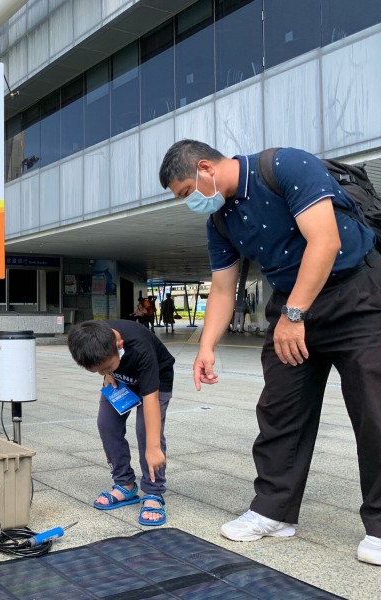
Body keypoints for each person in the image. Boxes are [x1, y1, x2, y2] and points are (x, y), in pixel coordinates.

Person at [159, 139, 381, 566]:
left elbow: (325, 241)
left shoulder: (284, 166)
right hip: (292, 305)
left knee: (374, 411)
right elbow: (223, 287)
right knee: (281, 409)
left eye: (187, 192)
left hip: (356, 296)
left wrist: (294, 314)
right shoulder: (219, 220)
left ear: (206, 168)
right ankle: (273, 513)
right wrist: (205, 347)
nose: (189, 203)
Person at [67, 319, 175, 526]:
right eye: (97, 370)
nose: (101, 370)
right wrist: (108, 373)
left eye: (105, 366)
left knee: (147, 432)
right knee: (106, 423)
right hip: (120, 379)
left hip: (156, 378)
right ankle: (125, 484)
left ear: (119, 345)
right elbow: (102, 363)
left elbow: (150, 398)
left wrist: (153, 449)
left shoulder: (139, 347)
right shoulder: (91, 338)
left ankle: (153, 492)